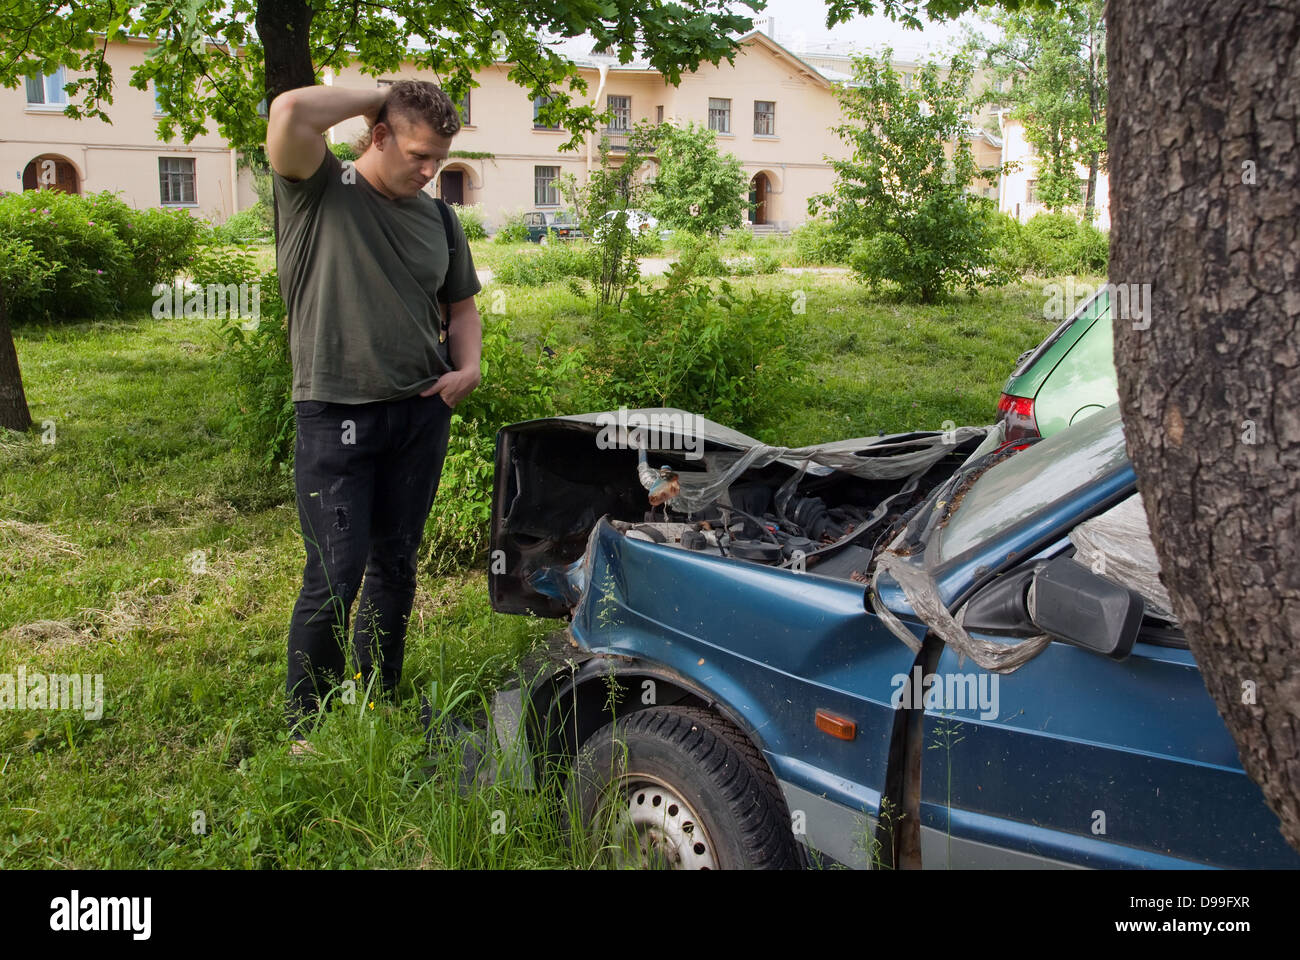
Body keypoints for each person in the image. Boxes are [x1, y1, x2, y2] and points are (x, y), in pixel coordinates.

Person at [265, 79, 482, 748]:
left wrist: (468, 369)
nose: (430, 171)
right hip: (334, 415)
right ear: (378, 134)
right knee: (335, 570)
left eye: (440, 159)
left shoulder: (438, 217)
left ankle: (379, 694)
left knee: (396, 561)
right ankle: (310, 723)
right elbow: (292, 112)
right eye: (418, 154)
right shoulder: (319, 187)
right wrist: (383, 94)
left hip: (419, 414)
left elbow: (461, 310)